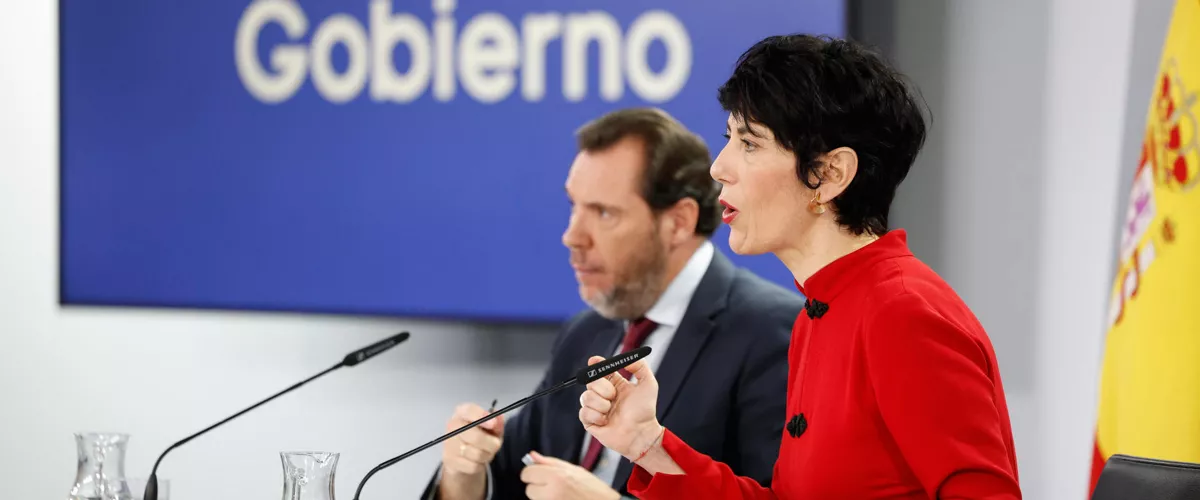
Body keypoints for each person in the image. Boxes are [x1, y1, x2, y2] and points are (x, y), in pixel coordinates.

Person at [575, 34, 1023, 499]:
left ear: (830, 175)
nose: (719, 167)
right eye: (730, 137)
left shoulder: (903, 312)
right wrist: (646, 443)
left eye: (750, 143)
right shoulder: (821, 309)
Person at [422, 108, 805, 500]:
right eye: (575, 206)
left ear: (678, 222)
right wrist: (464, 475)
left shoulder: (775, 332)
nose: (572, 236)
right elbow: (510, 471)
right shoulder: (586, 331)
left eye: (603, 212)